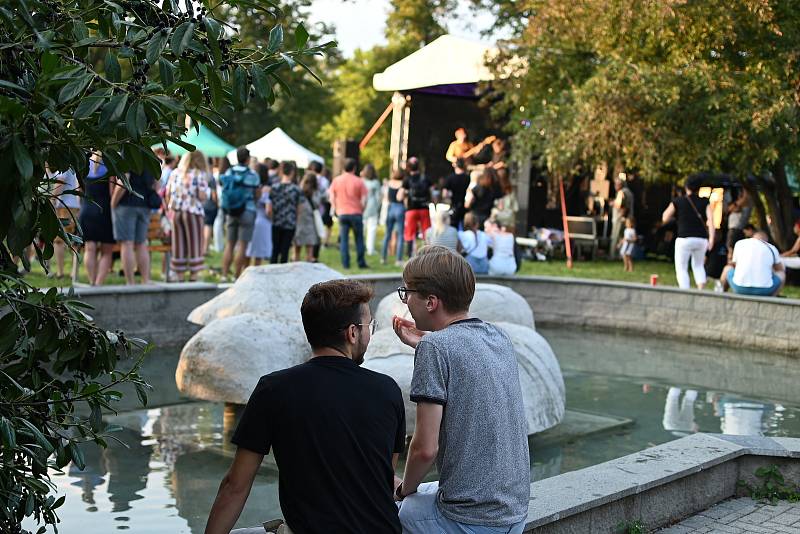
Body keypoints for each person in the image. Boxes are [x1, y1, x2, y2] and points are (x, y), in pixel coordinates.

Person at [205, 279, 406, 534]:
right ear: (352, 333)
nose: (370, 333)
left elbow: (235, 485)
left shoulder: (273, 389)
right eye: (369, 326)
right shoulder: (387, 390)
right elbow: (382, 477)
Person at [392, 246, 529, 534]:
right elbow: (465, 355)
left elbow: (424, 450)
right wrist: (428, 344)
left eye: (407, 294)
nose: (406, 303)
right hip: (514, 513)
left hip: (470, 520)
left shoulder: (435, 349)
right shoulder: (497, 336)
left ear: (430, 302)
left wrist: (404, 490)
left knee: (391, 510)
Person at [661, 175, 715, 290]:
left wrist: (676, 218)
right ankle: (701, 289)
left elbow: (665, 217)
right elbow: (711, 220)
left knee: (681, 268)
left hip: (684, 238)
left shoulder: (678, 201)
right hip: (701, 239)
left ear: (686, 187)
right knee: (699, 266)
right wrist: (711, 238)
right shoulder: (705, 202)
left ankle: (685, 291)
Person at [166, 151, 210, 281]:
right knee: (194, 243)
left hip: (176, 212)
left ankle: (179, 276)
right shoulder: (198, 174)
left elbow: (167, 193)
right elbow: (202, 196)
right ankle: (193, 276)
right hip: (193, 212)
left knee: (179, 244)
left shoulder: (175, 173)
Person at [111, 166, 158, 285]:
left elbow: (124, 179)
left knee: (127, 244)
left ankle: (130, 282)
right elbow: (156, 182)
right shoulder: (149, 156)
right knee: (141, 244)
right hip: (144, 204)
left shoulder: (127, 152)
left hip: (126, 204)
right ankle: (145, 280)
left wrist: (113, 202)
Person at [220, 147, 260, 279]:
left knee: (230, 244)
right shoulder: (253, 175)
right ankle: (237, 276)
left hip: (231, 211)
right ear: (248, 159)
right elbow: (257, 195)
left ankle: (224, 274)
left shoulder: (229, 172)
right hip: (247, 210)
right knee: (242, 245)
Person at [78, 154, 115, 285]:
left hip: (87, 209)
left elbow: (80, 189)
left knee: (89, 248)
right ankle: (99, 283)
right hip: (104, 211)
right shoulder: (110, 165)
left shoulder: (85, 164)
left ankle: (92, 281)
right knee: (107, 251)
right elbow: (112, 193)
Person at [329, 158, 369, 269]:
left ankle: (345, 264)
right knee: (359, 239)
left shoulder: (336, 180)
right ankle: (361, 263)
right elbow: (364, 199)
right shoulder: (359, 181)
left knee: (344, 240)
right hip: (356, 213)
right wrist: (362, 210)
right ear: (354, 168)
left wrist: (335, 208)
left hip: (342, 213)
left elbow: (331, 197)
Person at [721, 231, 784, 296]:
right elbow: (780, 269)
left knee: (727, 268)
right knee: (782, 274)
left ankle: (723, 292)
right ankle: (773, 298)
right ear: (766, 241)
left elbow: (734, 265)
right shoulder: (771, 248)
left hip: (739, 288)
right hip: (765, 290)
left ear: (752, 237)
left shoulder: (740, 244)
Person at [49, 167, 81, 281]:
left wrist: (51, 199)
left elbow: (60, 183)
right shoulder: (76, 166)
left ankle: (60, 272)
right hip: (75, 206)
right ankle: (74, 273)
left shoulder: (64, 166)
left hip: (64, 207)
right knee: (75, 242)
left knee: (58, 242)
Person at [270, 161, 302, 264]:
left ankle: (272, 269)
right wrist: (296, 221)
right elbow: (299, 208)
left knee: (274, 250)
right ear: (292, 172)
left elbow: (270, 206)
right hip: (290, 222)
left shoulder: (274, 188)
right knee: (285, 250)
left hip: (276, 221)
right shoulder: (296, 189)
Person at [401, 158, 432, 259]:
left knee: (410, 233)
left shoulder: (407, 179)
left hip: (411, 209)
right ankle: (427, 255)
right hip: (424, 208)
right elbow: (432, 193)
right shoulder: (426, 178)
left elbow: (399, 196)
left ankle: (410, 255)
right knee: (426, 232)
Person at [246, 164, 273, 266]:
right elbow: (268, 210)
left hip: (249, 218)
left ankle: (243, 275)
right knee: (258, 254)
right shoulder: (267, 190)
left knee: (246, 252)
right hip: (262, 222)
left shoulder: (249, 186)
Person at [292, 173, 321, 262]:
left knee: (296, 250)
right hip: (310, 223)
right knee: (310, 251)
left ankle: (295, 267)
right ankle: (309, 269)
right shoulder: (316, 193)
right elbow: (317, 205)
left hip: (299, 221)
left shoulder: (298, 191)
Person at [382, 169, 406, 266]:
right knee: (400, 235)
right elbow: (403, 198)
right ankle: (398, 260)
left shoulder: (389, 183)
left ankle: (383, 258)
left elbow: (387, 197)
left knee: (387, 234)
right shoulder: (403, 184)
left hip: (391, 207)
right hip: (400, 207)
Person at [610, 175, 634, 259]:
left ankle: (614, 255)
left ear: (620, 185)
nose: (615, 186)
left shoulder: (622, 192)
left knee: (616, 237)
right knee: (624, 238)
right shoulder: (628, 192)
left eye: (616, 184)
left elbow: (622, 206)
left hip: (620, 219)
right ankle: (622, 256)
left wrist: (613, 203)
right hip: (627, 219)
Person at [725, 187, 753, 260]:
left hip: (739, 229)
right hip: (734, 229)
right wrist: (737, 204)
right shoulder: (730, 193)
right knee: (731, 249)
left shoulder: (747, 200)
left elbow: (744, 201)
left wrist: (738, 204)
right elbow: (731, 208)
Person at [442, 158, 470, 229]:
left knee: (454, 227)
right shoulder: (468, 178)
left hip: (454, 206)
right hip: (466, 206)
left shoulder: (450, 178)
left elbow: (444, 194)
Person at [362, 164, 382, 256]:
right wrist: (378, 207)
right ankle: (370, 249)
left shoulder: (361, 181)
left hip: (362, 206)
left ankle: (361, 247)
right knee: (372, 229)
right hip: (373, 206)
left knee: (362, 228)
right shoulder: (376, 183)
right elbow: (378, 197)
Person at [202, 162, 219, 255]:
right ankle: (205, 249)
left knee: (203, 226)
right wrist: (217, 204)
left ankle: (201, 247)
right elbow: (214, 194)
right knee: (208, 227)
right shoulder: (211, 177)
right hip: (210, 205)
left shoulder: (201, 175)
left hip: (202, 204)